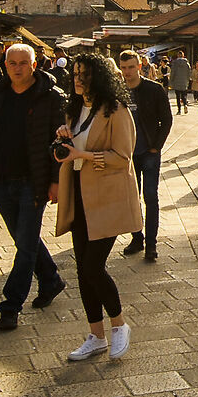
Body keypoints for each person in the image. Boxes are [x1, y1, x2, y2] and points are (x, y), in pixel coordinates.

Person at [55, 50, 144, 361]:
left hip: (108, 197)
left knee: (93, 266)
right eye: (75, 74)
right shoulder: (75, 109)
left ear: (99, 77)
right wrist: (64, 140)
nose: (78, 80)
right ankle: (96, 335)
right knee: (83, 269)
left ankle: (119, 324)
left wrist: (83, 155)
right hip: (80, 194)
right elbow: (73, 151)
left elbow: (123, 157)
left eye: (85, 75)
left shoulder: (116, 110)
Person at [0, 43, 68, 331]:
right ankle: (50, 279)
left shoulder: (51, 96)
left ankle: (10, 306)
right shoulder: (0, 93)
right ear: (5, 65)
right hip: (1, 180)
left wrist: (55, 180)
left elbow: (61, 142)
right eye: (12, 63)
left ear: (34, 65)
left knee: (25, 246)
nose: (17, 68)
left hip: (34, 181)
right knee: (23, 239)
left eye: (23, 63)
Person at [118, 50, 170, 262]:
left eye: (131, 67)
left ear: (139, 67)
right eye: (123, 68)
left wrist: (156, 146)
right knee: (131, 199)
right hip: (126, 154)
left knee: (150, 196)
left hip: (148, 151)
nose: (127, 72)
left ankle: (151, 244)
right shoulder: (117, 91)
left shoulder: (154, 89)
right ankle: (136, 237)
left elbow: (166, 119)